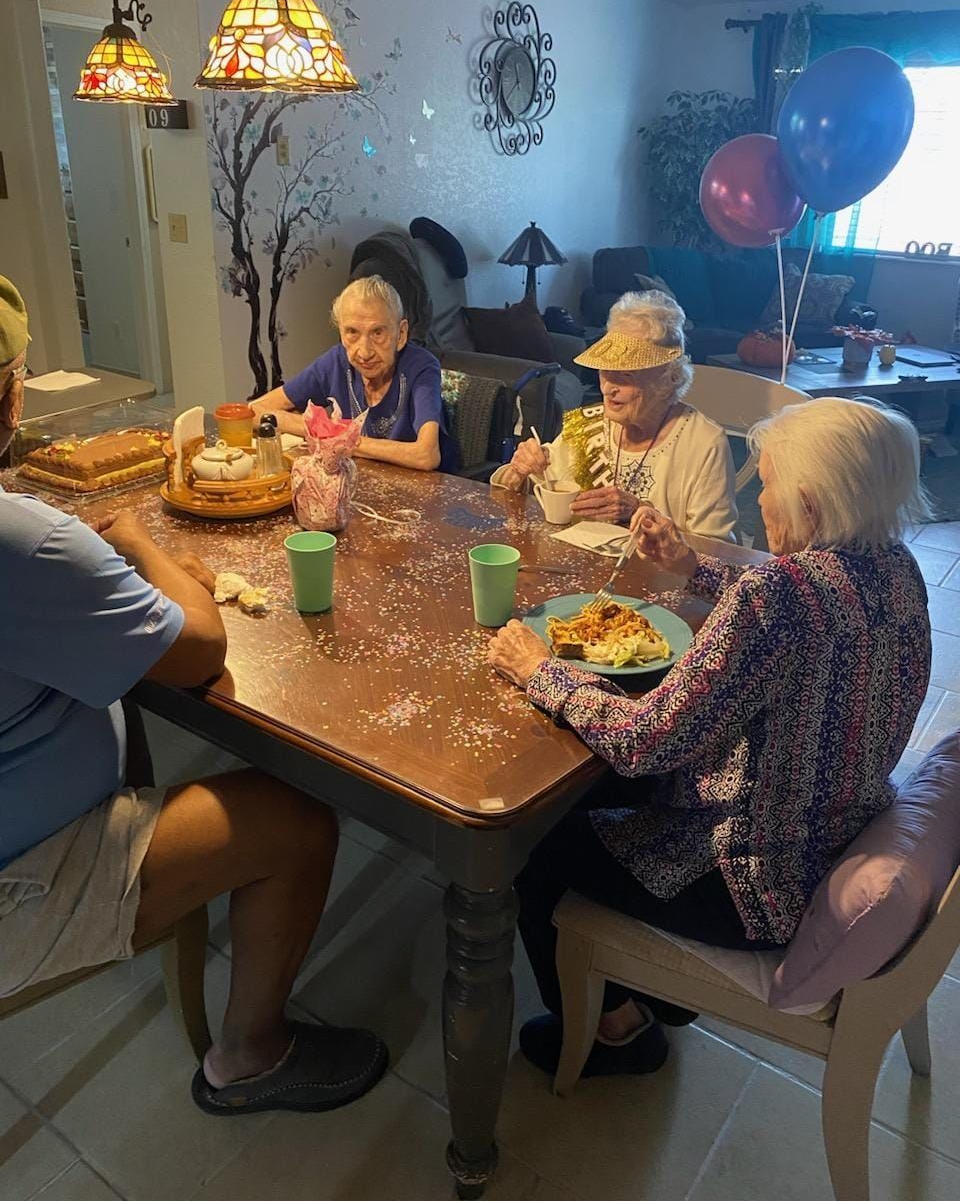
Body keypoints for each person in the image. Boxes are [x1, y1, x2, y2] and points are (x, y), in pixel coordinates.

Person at [0, 276, 387, 1115]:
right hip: (21, 878)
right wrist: (142, 548)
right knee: (298, 816)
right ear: (11, 395)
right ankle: (248, 1055)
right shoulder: (21, 541)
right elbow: (203, 649)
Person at [488, 396, 931, 1078]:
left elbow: (645, 741)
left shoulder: (779, 594)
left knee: (532, 838)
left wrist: (540, 671)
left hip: (749, 880)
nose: (760, 496)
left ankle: (614, 1032)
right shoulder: (898, 572)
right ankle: (646, 994)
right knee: (597, 789)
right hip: (829, 834)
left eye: (771, 480)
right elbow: (796, 627)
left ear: (811, 503)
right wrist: (695, 566)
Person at [491, 291, 737, 540]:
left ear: (669, 379)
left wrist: (640, 512)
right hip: (583, 569)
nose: (609, 388)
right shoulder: (588, 424)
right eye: (605, 372)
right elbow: (517, 492)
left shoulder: (704, 443)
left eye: (626, 375)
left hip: (660, 577)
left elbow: (717, 552)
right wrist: (520, 469)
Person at [252, 274, 455, 472]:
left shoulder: (422, 367)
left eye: (378, 333)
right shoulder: (335, 362)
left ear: (401, 334)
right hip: (360, 484)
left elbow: (426, 455)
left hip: (422, 494)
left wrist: (339, 439)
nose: (364, 352)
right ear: (341, 333)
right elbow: (254, 412)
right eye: (352, 333)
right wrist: (322, 429)